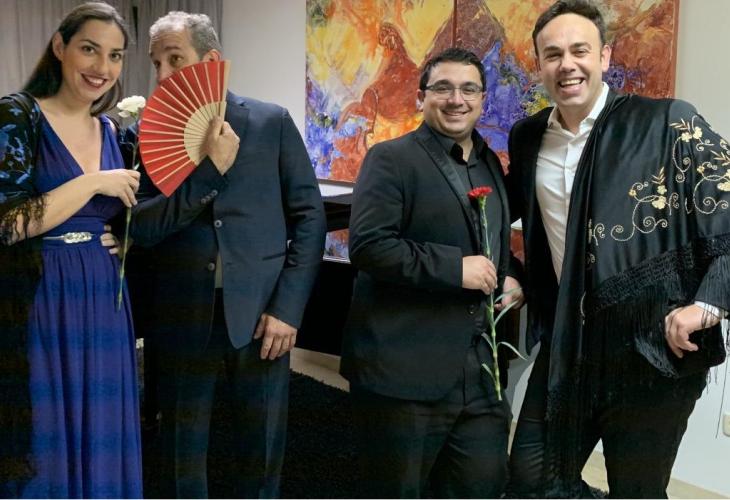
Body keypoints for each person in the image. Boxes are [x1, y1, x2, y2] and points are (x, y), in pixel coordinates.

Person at [506, 1, 730, 497]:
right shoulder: (528, 138)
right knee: (532, 477)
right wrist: (511, 272)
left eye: (580, 50)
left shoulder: (666, 123)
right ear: (539, 64)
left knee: (636, 489)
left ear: (605, 56)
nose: (567, 64)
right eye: (553, 54)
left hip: (648, 348)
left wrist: (708, 305)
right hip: (569, 343)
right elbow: (504, 215)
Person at [127, 11, 326, 498]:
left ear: (211, 61)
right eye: (156, 63)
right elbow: (143, 228)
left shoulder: (270, 121)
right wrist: (208, 172)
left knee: (260, 446)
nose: (163, 75)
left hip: (261, 314)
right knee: (180, 449)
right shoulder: (151, 133)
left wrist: (287, 309)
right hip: (180, 313)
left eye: (175, 59)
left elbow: (309, 218)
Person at [340, 47, 524, 498]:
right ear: (421, 97)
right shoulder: (390, 158)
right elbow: (368, 246)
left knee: (483, 486)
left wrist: (510, 274)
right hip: (403, 372)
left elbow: (488, 238)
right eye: (443, 88)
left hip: (480, 374)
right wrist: (453, 269)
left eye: (468, 89)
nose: (456, 99)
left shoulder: (490, 163)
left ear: (482, 100)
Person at [0, 2, 143, 498]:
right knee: (46, 435)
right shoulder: (18, 115)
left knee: (103, 430)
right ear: (60, 48)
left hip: (104, 297)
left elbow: (131, 214)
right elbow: (7, 225)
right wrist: (92, 183)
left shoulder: (114, 132)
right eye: (89, 49)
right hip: (41, 295)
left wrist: (124, 241)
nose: (102, 67)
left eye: (115, 55)